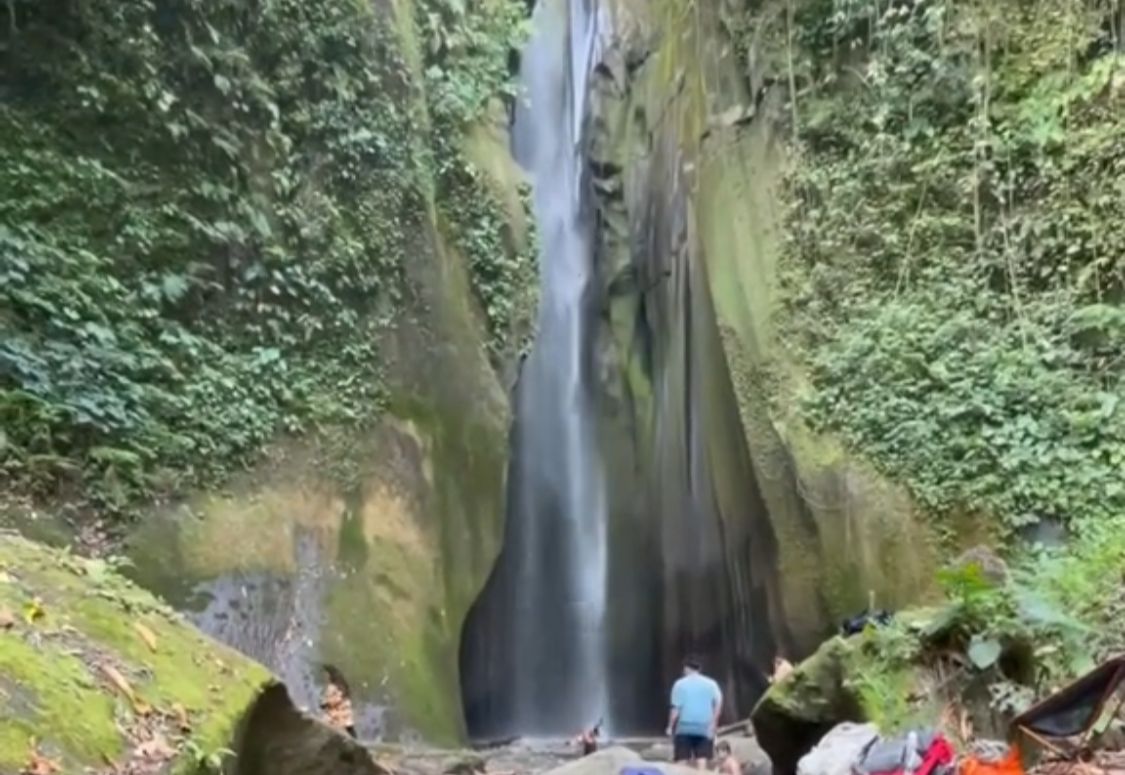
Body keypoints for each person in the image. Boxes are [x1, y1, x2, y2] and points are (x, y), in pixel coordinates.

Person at [666, 656, 723, 770]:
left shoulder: (679, 684)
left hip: (684, 727)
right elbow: (718, 703)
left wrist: (670, 726)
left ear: (686, 668)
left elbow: (675, 709)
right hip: (705, 728)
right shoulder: (711, 684)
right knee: (702, 761)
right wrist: (713, 723)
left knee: (681, 761)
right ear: (699, 669)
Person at [320, 665, 357, 738]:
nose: (325, 677)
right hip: (342, 709)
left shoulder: (335, 685)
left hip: (339, 710)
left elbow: (337, 698)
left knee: (345, 726)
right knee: (348, 727)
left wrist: (326, 704)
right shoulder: (339, 684)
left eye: (326, 674)